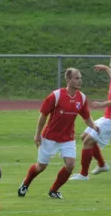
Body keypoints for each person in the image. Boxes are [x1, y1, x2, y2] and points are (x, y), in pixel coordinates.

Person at [18, 68, 99, 199]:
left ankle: (54, 190)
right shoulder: (55, 96)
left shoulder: (82, 98)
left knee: (70, 165)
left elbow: (86, 117)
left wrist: (94, 125)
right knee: (41, 167)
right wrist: (37, 134)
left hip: (68, 138)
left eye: (80, 78)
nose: (80, 81)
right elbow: (43, 116)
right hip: (50, 137)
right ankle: (25, 184)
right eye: (76, 78)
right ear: (68, 80)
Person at [70, 54, 111, 181]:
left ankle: (84, 174)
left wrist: (102, 104)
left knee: (88, 142)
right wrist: (105, 68)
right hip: (107, 117)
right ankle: (102, 165)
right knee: (84, 137)